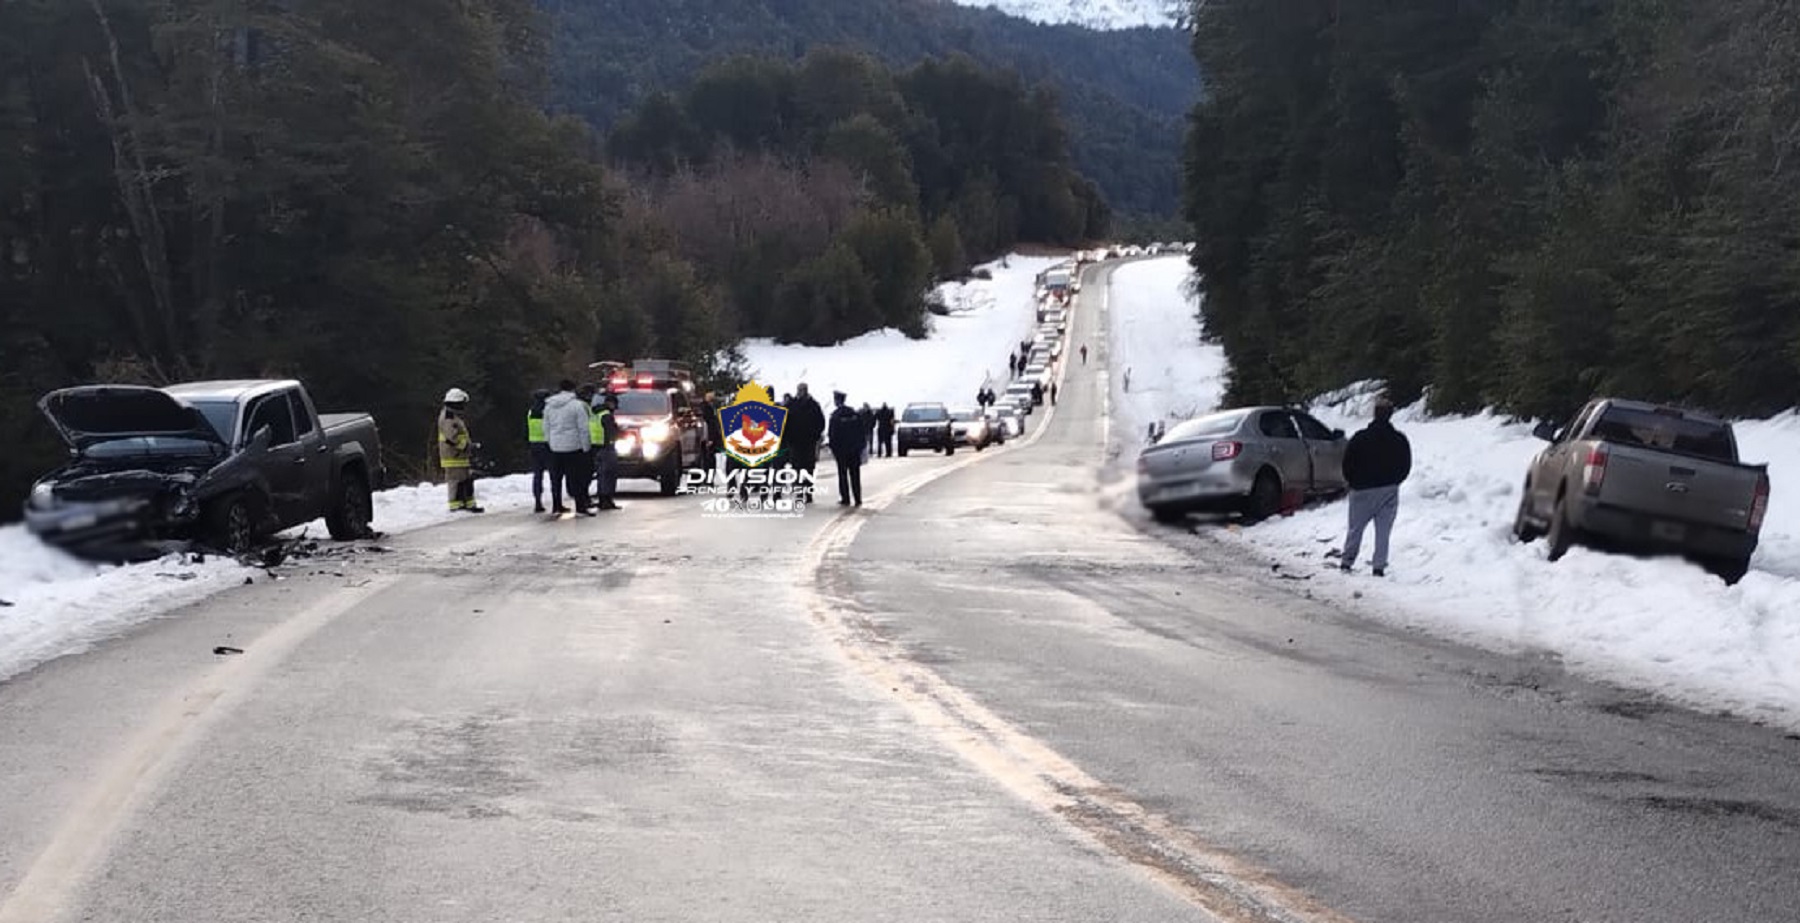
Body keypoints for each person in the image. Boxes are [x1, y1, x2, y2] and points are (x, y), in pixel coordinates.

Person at [1340, 399, 1413, 577]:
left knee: (1355, 528)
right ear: (1391, 414)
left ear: (1374, 413)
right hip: (1388, 489)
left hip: (1361, 490)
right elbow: (1406, 464)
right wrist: (1395, 481)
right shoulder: (1399, 439)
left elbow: (1347, 463)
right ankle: (1378, 566)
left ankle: (1347, 561)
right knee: (1383, 531)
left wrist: (1353, 482)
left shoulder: (1360, 438)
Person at [542, 379, 595, 516]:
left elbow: (546, 427)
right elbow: (583, 428)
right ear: (573, 389)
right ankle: (580, 508)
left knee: (556, 479)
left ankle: (556, 506)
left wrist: (550, 442)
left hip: (555, 447)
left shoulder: (549, 406)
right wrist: (586, 447)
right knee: (576, 478)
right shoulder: (577, 406)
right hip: (573, 446)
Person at [438, 388, 483, 513]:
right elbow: (451, 438)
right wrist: (467, 446)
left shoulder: (453, 416)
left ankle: (467, 503)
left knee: (465, 479)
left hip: (459, 456)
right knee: (456, 481)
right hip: (453, 456)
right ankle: (456, 505)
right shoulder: (448, 417)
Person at [784, 383, 827, 502]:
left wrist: (815, 436)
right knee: (797, 469)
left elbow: (821, 423)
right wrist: (788, 438)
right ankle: (799, 493)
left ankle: (808, 493)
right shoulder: (792, 405)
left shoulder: (814, 405)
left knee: (808, 469)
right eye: (799, 390)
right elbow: (784, 423)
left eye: (803, 390)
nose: (801, 392)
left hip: (809, 443)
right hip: (795, 443)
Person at [828, 391, 867, 507]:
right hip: (854, 450)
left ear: (836, 400)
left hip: (841, 451)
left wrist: (834, 449)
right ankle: (858, 498)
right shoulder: (854, 414)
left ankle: (845, 498)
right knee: (855, 474)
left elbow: (832, 435)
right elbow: (861, 432)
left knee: (843, 474)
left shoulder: (835, 416)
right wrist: (860, 447)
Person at [591, 391, 622, 510]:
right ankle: (607, 499)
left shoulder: (596, 413)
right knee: (609, 474)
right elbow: (612, 432)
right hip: (607, 447)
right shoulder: (607, 415)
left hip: (596, 447)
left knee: (601, 474)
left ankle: (602, 498)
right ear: (611, 404)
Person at [527, 389, 553, 513]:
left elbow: (526, 429)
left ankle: (538, 501)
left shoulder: (531, 412)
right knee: (554, 475)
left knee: (538, 475)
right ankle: (556, 501)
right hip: (548, 446)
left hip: (534, 445)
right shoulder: (548, 412)